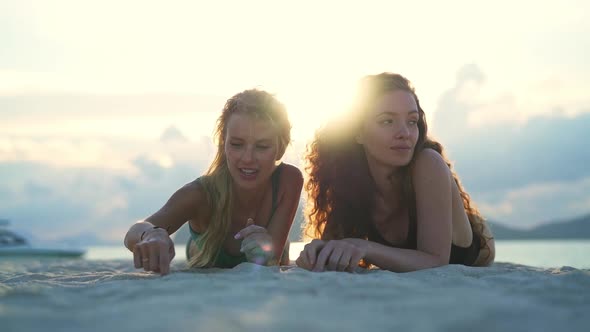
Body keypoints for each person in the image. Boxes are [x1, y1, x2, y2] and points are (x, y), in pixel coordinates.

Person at [296, 73, 495, 273]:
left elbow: (436, 260)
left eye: (412, 121)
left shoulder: (428, 163)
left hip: (475, 245)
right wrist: (318, 251)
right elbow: (338, 248)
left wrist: (364, 246)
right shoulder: (349, 180)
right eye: (387, 121)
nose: (405, 133)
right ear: (358, 132)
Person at [124, 89, 303, 275]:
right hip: (202, 252)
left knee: (274, 250)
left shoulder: (288, 180)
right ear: (223, 144)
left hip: (271, 250)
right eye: (237, 144)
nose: (248, 158)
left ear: (280, 149)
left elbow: (271, 262)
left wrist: (267, 249)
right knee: (201, 250)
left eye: (262, 146)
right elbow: (137, 229)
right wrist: (152, 235)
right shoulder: (200, 194)